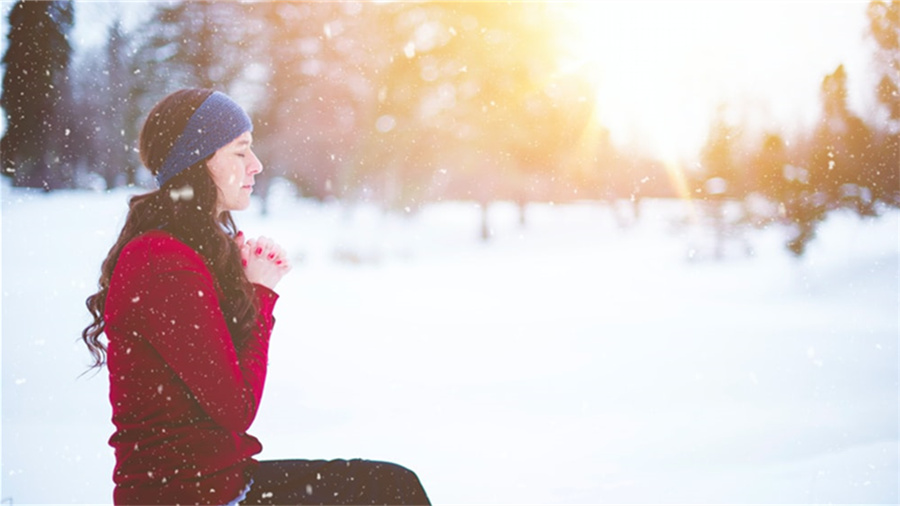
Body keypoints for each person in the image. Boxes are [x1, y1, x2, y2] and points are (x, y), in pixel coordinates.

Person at [81, 88, 431, 506]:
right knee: (387, 493)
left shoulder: (183, 251)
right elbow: (236, 407)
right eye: (240, 152)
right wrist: (261, 294)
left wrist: (245, 287)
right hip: (189, 496)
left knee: (390, 487)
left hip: (224, 484)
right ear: (198, 161)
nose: (256, 165)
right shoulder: (162, 262)